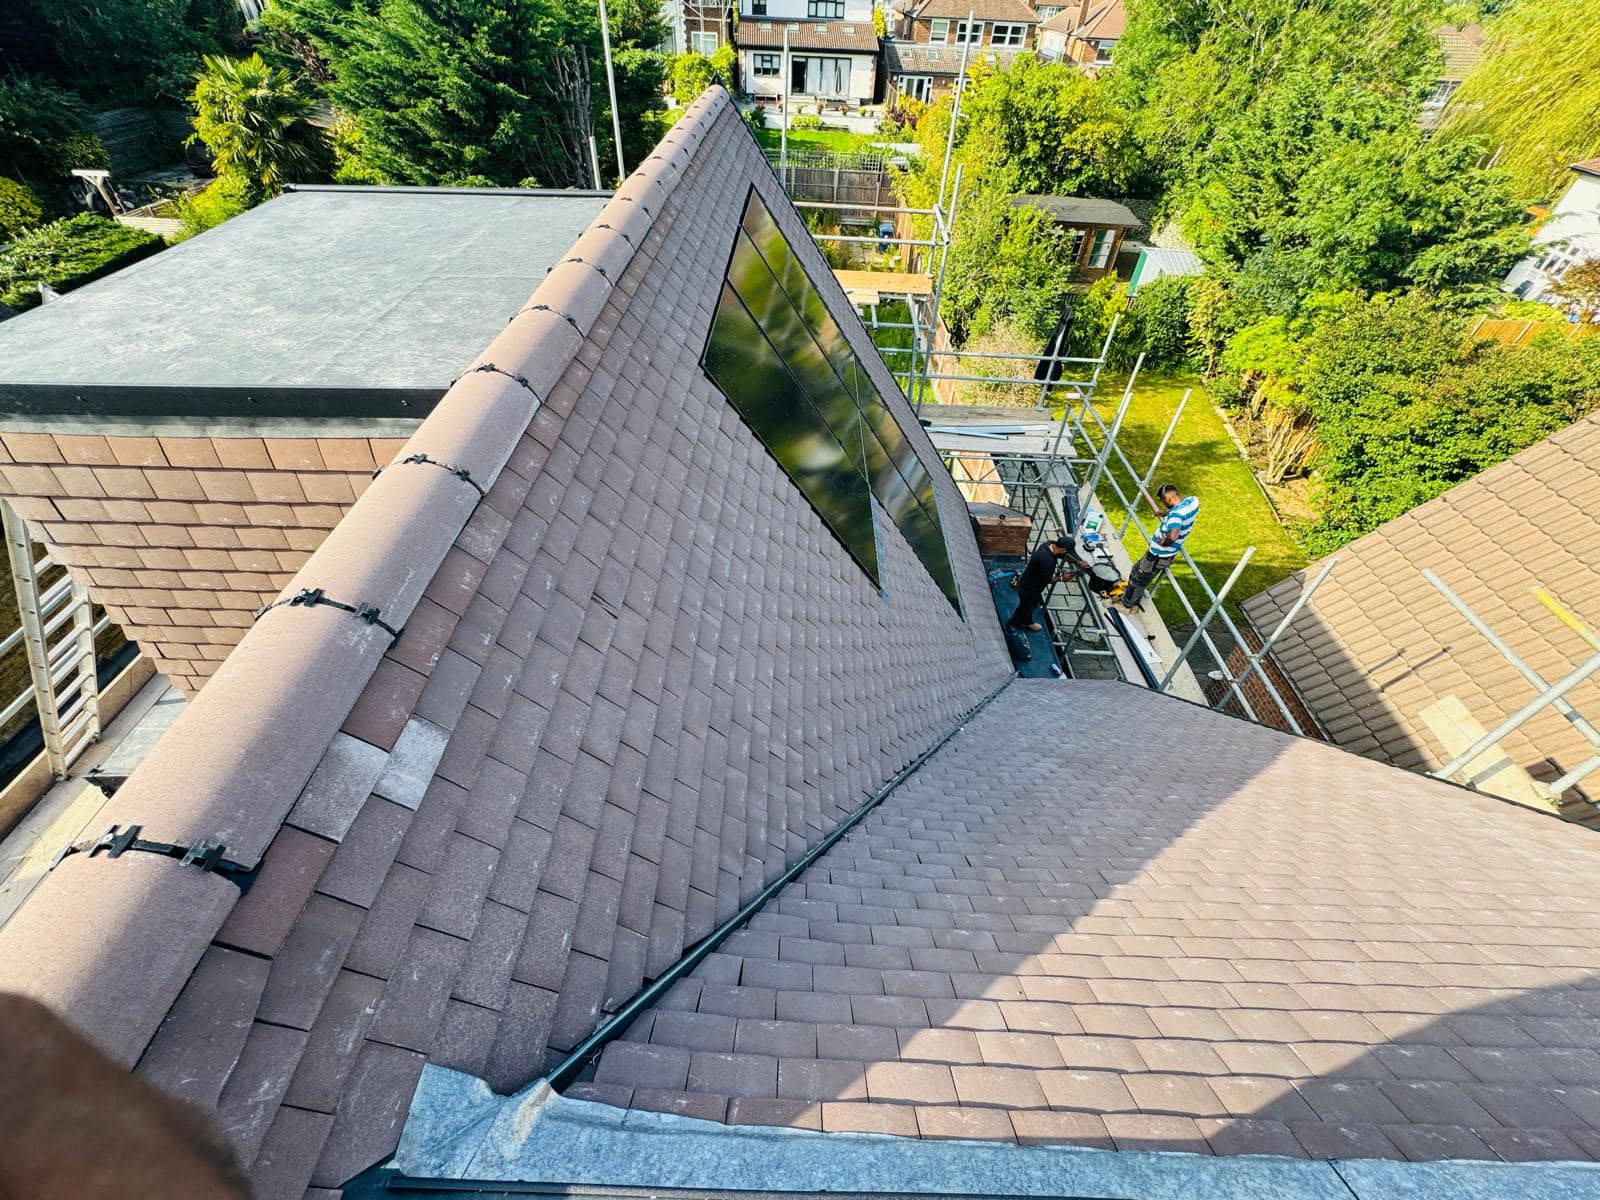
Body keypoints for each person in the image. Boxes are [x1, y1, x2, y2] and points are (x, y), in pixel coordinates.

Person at [1118, 483, 1199, 612]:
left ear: (1169, 499)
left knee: (1139, 579)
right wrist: (1165, 512)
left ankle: (1127, 604)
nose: (1163, 504)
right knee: (1136, 570)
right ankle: (1131, 596)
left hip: (1158, 555)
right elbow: (1176, 510)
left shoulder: (1175, 516)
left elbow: (1173, 536)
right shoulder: (1192, 502)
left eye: (1163, 501)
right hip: (1163, 554)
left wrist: (1164, 542)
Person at [1009, 536, 1091, 632]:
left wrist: (1078, 562)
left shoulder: (1048, 544)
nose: (1067, 554)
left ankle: (1026, 621)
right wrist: (1061, 578)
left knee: (1031, 605)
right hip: (1030, 588)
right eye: (1067, 551)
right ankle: (1013, 624)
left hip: (1028, 580)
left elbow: (1063, 555)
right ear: (1063, 549)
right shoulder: (1047, 561)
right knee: (1026, 607)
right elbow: (1047, 580)